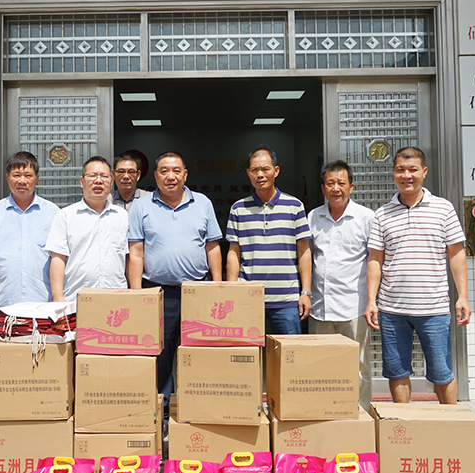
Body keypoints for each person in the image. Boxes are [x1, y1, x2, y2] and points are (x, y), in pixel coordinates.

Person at [364, 147, 470, 404]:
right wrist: (371, 301)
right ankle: (403, 422)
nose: (406, 175)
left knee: (442, 372)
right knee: (397, 372)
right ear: (393, 173)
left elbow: (456, 254)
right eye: (400, 169)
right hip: (392, 309)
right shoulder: (382, 214)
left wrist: (463, 297)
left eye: (412, 170)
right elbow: (375, 259)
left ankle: (451, 422)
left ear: (424, 172)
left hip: (433, 308)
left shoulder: (443, 208)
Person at [127, 151, 222, 415]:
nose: (171, 176)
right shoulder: (142, 206)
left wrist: (218, 287)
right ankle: (164, 413)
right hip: (159, 292)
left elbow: (212, 246)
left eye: (176, 171)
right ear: (155, 176)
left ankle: (200, 408)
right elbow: (136, 252)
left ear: (185, 175)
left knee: (200, 352)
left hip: (199, 291)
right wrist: (137, 294)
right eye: (164, 171)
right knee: (162, 354)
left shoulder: (202, 203)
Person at [307, 160, 375, 410]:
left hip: (353, 307)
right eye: (330, 183)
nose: (336, 188)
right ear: (323, 188)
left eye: (341, 183)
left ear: (351, 187)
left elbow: (374, 261)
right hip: (320, 307)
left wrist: (372, 301)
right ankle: (325, 413)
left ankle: (360, 414)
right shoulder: (313, 216)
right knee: (321, 366)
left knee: (357, 366)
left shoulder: (366, 218)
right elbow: (308, 257)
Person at [226, 146, 312, 335]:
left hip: (286, 299)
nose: (260, 174)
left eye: (265, 169)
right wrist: (231, 291)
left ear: (276, 171)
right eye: (254, 170)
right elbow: (233, 253)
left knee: (289, 351)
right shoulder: (238, 209)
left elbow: (304, 252)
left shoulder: (295, 206)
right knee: (246, 351)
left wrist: (305, 293)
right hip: (247, 297)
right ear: (248, 173)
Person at [0, 151, 59, 327]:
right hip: (4, 306)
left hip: (44, 306)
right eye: (16, 175)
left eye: (28, 175)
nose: (22, 181)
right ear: (8, 178)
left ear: (37, 178)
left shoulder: (53, 213)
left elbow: (60, 258)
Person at [45, 156, 129, 303]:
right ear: (82, 181)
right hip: (77, 299)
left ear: (111, 182)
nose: (98, 180)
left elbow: (128, 258)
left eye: (104, 176)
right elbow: (58, 258)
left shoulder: (122, 216)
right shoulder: (66, 216)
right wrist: (58, 298)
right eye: (92, 175)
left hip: (117, 298)